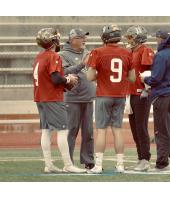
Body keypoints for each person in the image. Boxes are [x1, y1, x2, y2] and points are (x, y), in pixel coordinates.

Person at [33, 27, 86, 173]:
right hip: (52, 98)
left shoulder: (39, 56)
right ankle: (68, 164)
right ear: (54, 40)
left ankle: (48, 164)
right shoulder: (53, 56)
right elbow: (56, 79)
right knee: (63, 130)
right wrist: (68, 79)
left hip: (40, 97)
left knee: (46, 130)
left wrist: (65, 80)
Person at [86, 24, 136, 173]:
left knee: (101, 131)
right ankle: (120, 165)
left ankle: (98, 165)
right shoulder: (127, 53)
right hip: (120, 96)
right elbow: (132, 78)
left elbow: (89, 76)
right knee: (118, 130)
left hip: (103, 95)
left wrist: (100, 77)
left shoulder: (97, 52)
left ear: (105, 37)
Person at [141, 29, 170, 171]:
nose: (156, 41)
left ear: (161, 39)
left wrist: (144, 78)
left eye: (157, 38)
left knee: (161, 131)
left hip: (162, 96)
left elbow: (155, 79)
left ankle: (162, 164)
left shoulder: (160, 55)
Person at [59, 28, 95, 170]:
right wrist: (81, 64)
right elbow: (63, 72)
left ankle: (88, 160)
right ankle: (68, 162)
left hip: (88, 97)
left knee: (88, 132)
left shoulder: (88, 53)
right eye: (81, 38)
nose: (84, 40)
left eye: (84, 37)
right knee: (71, 131)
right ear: (73, 39)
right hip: (72, 98)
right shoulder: (62, 54)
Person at [124, 25, 154, 171]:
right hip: (130, 94)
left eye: (131, 37)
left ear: (138, 37)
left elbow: (149, 71)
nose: (129, 40)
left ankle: (145, 159)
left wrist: (147, 89)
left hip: (141, 93)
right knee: (134, 128)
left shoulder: (145, 50)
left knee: (141, 127)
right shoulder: (131, 51)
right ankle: (140, 157)